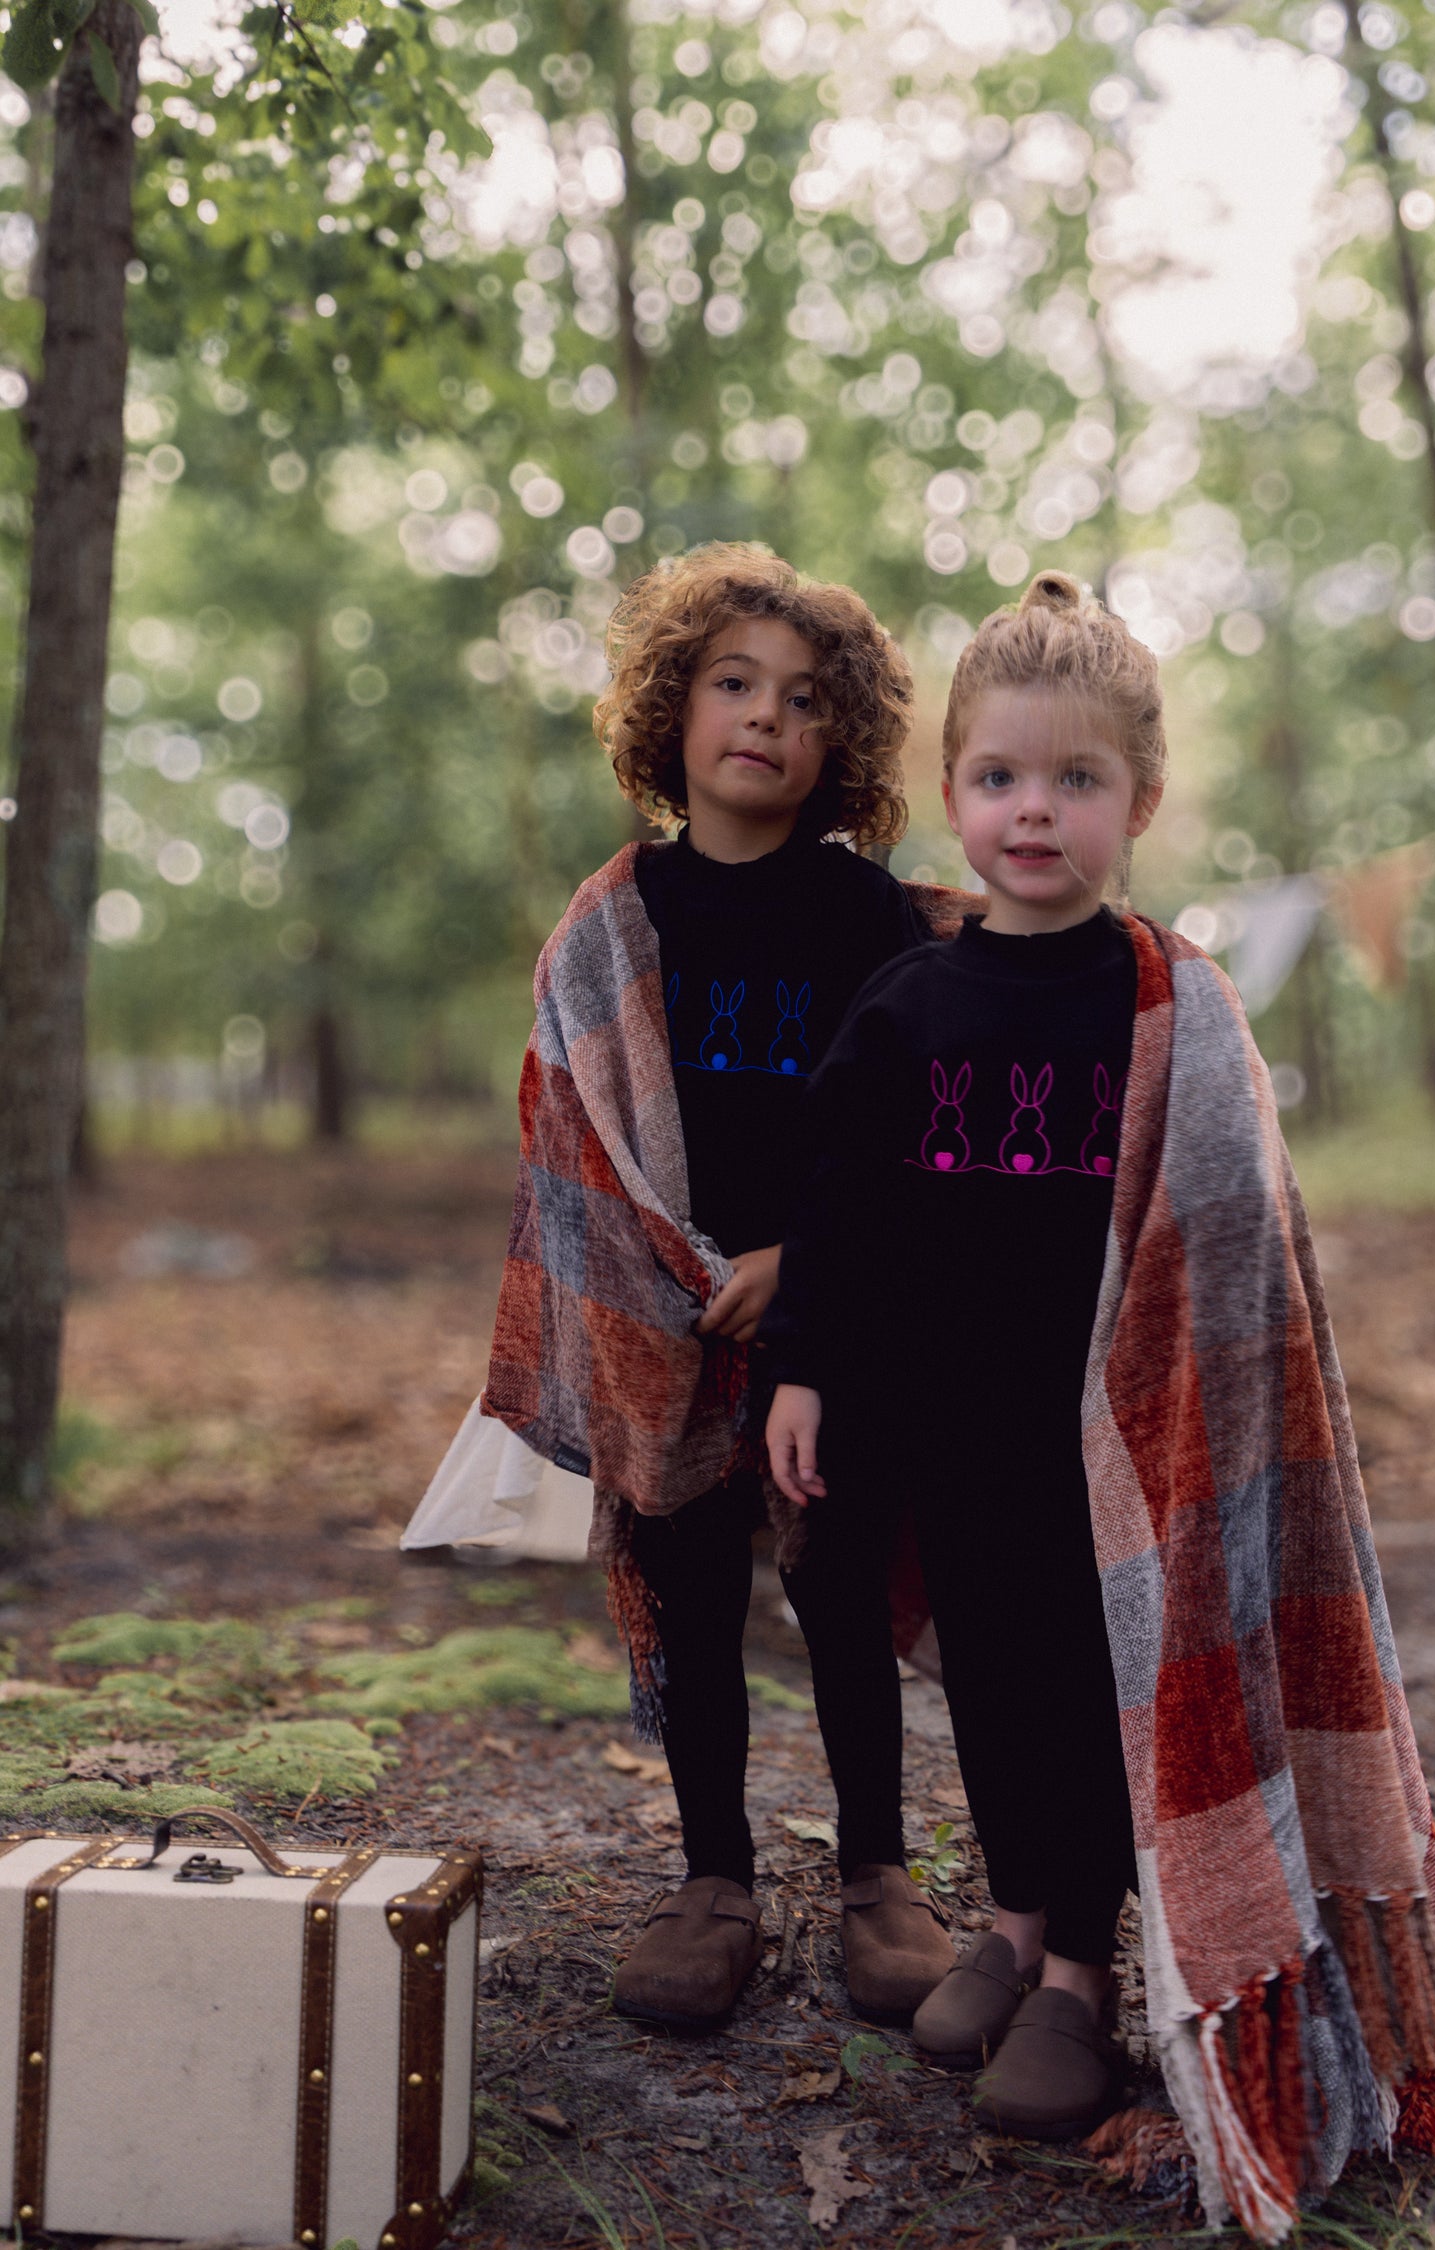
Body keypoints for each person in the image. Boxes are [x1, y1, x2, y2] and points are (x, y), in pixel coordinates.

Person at [764, 574, 1435, 2233]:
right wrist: (805, 1360)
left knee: (1098, 1688)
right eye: (1003, 778)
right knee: (998, 1681)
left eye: (1075, 781)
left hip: (1117, 1443)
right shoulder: (913, 1001)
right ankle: (1015, 1916)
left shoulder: (1172, 1004)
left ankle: (1083, 1971)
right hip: (949, 1429)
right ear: (953, 794)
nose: (1035, 812)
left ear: (1139, 804)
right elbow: (844, 1206)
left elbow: (1237, 1250)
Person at [483, 543, 961, 2036]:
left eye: (806, 699)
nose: (765, 717)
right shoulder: (620, 918)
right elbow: (584, 1130)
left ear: (844, 742)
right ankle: (713, 1876)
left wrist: (800, 1265)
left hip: (835, 1312)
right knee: (690, 1590)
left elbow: (912, 1130)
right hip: (669, 1319)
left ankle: (879, 1870)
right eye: (733, 683)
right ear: (671, 712)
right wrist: (681, 1275)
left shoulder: (864, 918)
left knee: (836, 1570)